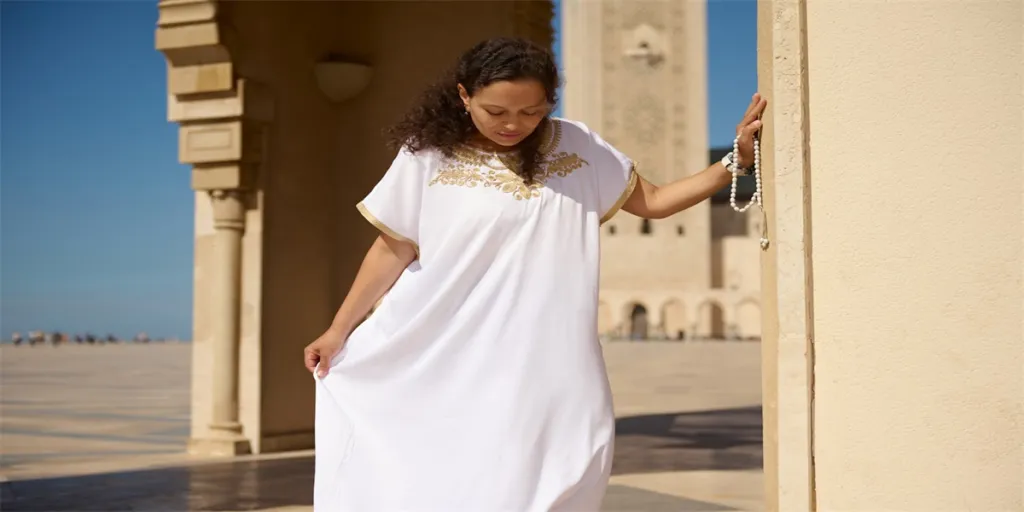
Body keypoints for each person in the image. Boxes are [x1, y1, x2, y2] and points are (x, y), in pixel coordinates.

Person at [305, 37, 766, 511]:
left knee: (569, 455)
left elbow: (654, 201)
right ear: (464, 96)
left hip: (549, 351)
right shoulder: (427, 155)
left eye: (531, 112)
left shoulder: (579, 147)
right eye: (496, 111)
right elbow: (392, 247)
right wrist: (340, 330)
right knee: (451, 462)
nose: (513, 125)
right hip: (446, 342)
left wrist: (737, 161)